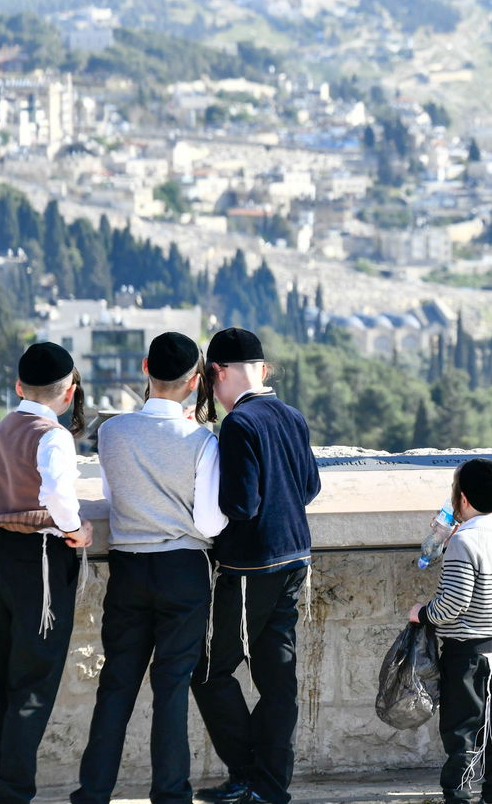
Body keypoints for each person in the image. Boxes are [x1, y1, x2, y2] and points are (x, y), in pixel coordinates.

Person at [71, 332, 227, 804]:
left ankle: (93, 792)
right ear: (195, 381)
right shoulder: (202, 441)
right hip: (183, 568)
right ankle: (171, 794)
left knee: (116, 684)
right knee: (172, 687)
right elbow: (209, 522)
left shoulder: (112, 432)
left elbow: (114, 496)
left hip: (129, 568)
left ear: (145, 367)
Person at [191, 328, 322, 804]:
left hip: (251, 568)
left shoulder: (239, 425)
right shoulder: (291, 415)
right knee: (277, 681)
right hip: (295, 557)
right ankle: (270, 786)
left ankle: (247, 775)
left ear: (218, 372)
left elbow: (240, 505)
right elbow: (310, 487)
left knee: (209, 671)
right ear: (263, 370)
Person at [0, 342, 93, 804]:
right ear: (69, 392)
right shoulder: (52, 435)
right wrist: (77, 529)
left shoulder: (1, 427)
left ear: (19, 386)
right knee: (32, 686)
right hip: (37, 559)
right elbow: (58, 494)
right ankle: (11, 794)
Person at [408, 458, 492, 804]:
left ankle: (458, 794)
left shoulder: (463, 543)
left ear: (464, 499)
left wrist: (421, 614)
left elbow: (453, 604)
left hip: (465, 652)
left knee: (461, 728)